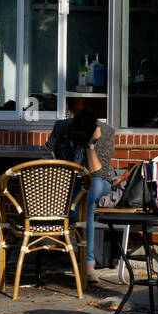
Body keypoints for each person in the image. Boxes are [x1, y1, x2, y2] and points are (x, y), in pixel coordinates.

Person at [45, 108, 115, 273]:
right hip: (69, 184)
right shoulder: (61, 128)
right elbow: (47, 156)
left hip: (98, 183)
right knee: (87, 203)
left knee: (91, 190)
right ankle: (88, 265)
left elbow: (99, 173)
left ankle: (88, 261)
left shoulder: (105, 132)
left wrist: (90, 144)